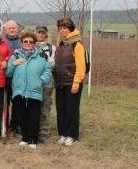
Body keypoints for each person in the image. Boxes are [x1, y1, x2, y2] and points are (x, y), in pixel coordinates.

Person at [6, 31, 52, 149]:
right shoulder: (15, 56)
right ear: (21, 43)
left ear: (34, 44)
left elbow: (48, 71)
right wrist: (13, 64)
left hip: (35, 90)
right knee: (21, 115)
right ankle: (25, 137)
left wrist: (40, 81)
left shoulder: (41, 56)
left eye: (31, 42)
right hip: (19, 90)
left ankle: (33, 140)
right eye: (25, 41)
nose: (28, 43)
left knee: (33, 115)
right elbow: (8, 73)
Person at [54, 17, 85, 146]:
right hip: (60, 83)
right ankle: (63, 133)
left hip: (72, 82)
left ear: (70, 28)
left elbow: (81, 65)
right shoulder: (61, 44)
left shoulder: (76, 44)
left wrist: (76, 82)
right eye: (60, 28)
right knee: (61, 109)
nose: (62, 30)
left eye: (64, 28)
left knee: (71, 109)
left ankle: (72, 135)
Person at [34, 25, 56, 143]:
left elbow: (52, 63)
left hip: (47, 81)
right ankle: (33, 129)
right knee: (33, 105)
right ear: (35, 33)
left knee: (45, 106)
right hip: (33, 80)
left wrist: (38, 65)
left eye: (43, 33)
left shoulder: (52, 48)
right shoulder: (30, 45)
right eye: (38, 33)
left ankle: (43, 132)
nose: (41, 35)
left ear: (46, 35)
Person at [2, 20, 21, 136]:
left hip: (18, 78)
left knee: (18, 103)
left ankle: (16, 125)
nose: (12, 30)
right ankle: (4, 126)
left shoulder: (22, 41)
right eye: (9, 28)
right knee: (4, 103)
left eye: (14, 28)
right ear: (5, 30)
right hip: (5, 77)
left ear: (17, 29)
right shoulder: (1, 42)